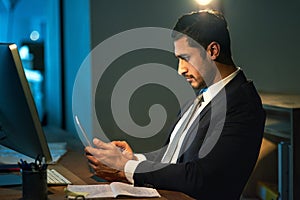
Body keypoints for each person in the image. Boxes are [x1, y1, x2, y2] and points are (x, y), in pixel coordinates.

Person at [85, 9, 266, 200]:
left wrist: (126, 168)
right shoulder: (201, 96)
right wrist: (133, 159)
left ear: (213, 51)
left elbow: (200, 176)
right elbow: (174, 155)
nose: (180, 70)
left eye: (185, 58)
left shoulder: (242, 103)